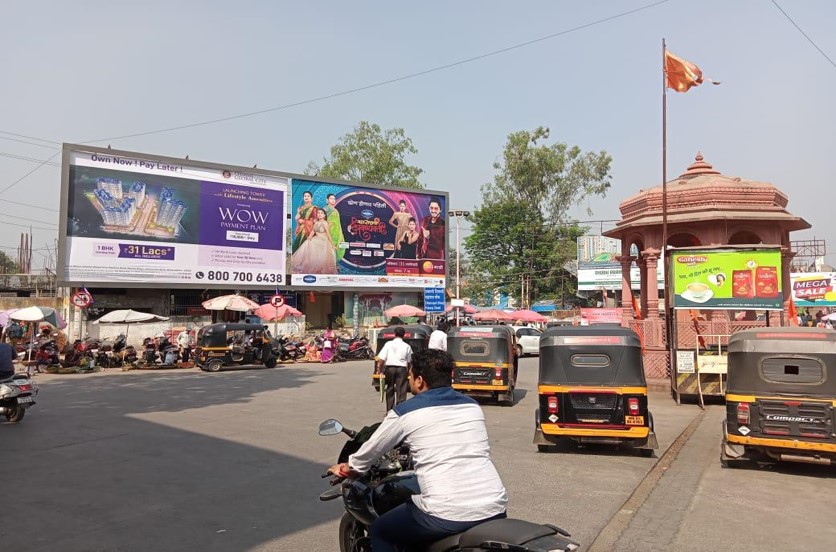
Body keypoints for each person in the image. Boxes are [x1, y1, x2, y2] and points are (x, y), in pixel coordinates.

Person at [328, 349, 508, 552]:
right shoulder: (472, 406)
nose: (409, 380)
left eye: (411, 375)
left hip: (446, 513)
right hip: (495, 506)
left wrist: (347, 467)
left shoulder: (405, 412)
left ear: (420, 380)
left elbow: (370, 451)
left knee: (380, 530)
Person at [375, 326, 413, 411]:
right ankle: (400, 409)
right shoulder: (407, 346)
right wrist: (409, 371)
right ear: (404, 335)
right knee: (401, 389)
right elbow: (409, 361)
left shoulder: (388, 344)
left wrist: (379, 370)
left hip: (390, 368)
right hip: (402, 369)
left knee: (390, 388)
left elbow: (381, 359)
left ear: (394, 334)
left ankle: (390, 409)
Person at [291, 208, 338, 275]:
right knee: (308, 242)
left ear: (324, 215)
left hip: (323, 241)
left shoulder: (325, 223)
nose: (320, 214)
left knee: (315, 245)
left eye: (321, 213)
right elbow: (313, 231)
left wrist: (332, 245)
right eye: (318, 213)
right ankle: (306, 264)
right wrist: (309, 237)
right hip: (317, 238)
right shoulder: (316, 223)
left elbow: (328, 234)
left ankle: (318, 268)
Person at [324, 193, 346, 263]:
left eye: (334, 199)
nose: (333, 200)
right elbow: (321, 218)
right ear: (327, 200)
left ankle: (333, 263)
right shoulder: (326, 208)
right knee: (330, 247)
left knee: (339, 247)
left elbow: (338, 223)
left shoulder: (335, 210)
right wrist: (327, 224)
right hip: (330, 231)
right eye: (331, 199)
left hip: (337, 232)